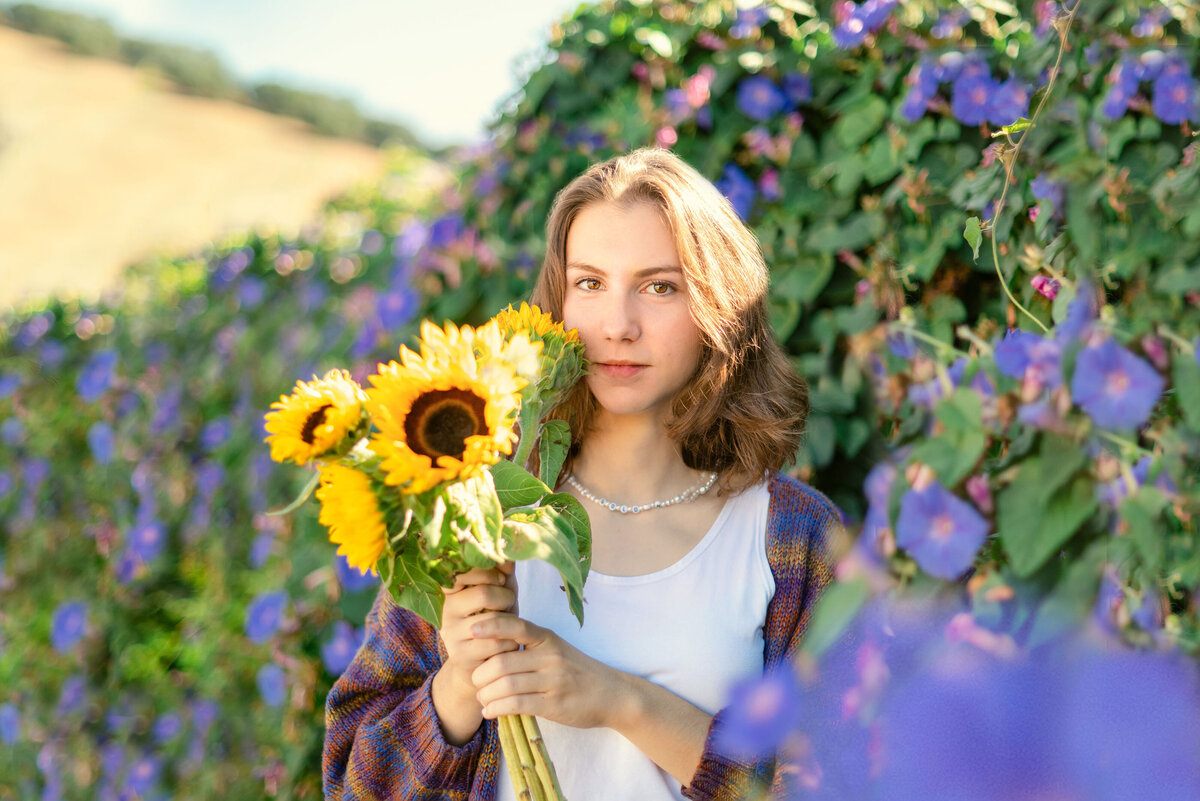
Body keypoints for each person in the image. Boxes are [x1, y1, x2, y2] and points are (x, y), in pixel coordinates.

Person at [322, 148, 838, 800]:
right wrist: (460, 683)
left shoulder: (790, 536)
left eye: (660, 286)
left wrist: (619, 699)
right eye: (590, 284)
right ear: (558, 302)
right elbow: (352, 784)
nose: (617, 326)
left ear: (721, 306)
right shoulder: (474, 511)